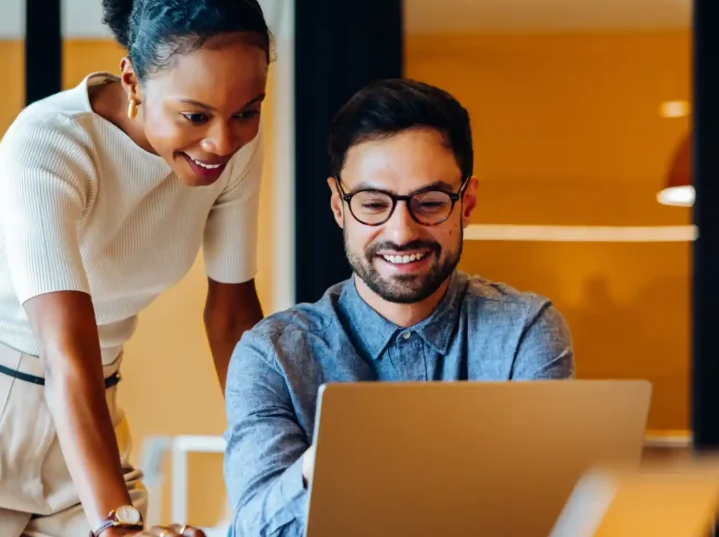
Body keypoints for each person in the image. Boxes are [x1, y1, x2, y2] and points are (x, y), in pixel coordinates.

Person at [0, 0, 272, 536]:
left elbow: (232, 316)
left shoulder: (231, 153)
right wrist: (117, 524)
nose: (223, 141)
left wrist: (267, 461)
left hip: (89, 416)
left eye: (246, 112)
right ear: (133, 81)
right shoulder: (50, 142)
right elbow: (65, 346)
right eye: (195, 116)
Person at [221, 78, 576, 536]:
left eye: (429, 203)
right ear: (338, 207)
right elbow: (253, 529)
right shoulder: (271, 356)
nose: (402, 231)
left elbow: (555, 518)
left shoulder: (524, 331)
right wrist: (330, 459)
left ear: (466, 203)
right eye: (373, 204)